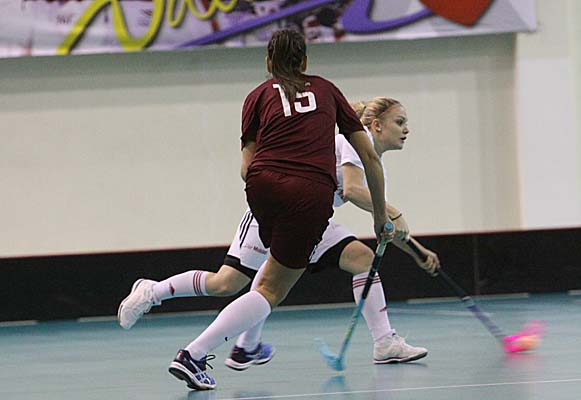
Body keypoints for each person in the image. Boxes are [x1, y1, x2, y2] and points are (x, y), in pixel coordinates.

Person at [118, 96, 440, 373]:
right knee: (226, 283)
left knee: (361, 258)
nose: (406, 129)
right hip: (275, 213)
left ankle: (382, 342)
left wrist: (417, 251)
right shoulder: (355, 142)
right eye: (400, 122)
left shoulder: (371, 160)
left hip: (312, 220)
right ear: (377, 125)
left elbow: (382, 222)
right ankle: (153, 291)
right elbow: (355, 191)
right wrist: (393, 211)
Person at [174, 28, 393, 390]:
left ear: (268, 62)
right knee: (270, 290)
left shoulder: (256, 96)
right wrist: (380, 216)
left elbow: (245, 168)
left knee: (265, 271)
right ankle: (195, 354)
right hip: (308, 194)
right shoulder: (327, 90)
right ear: (305, 61)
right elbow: (369, 157)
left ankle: (246, 346)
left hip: (261, 187)